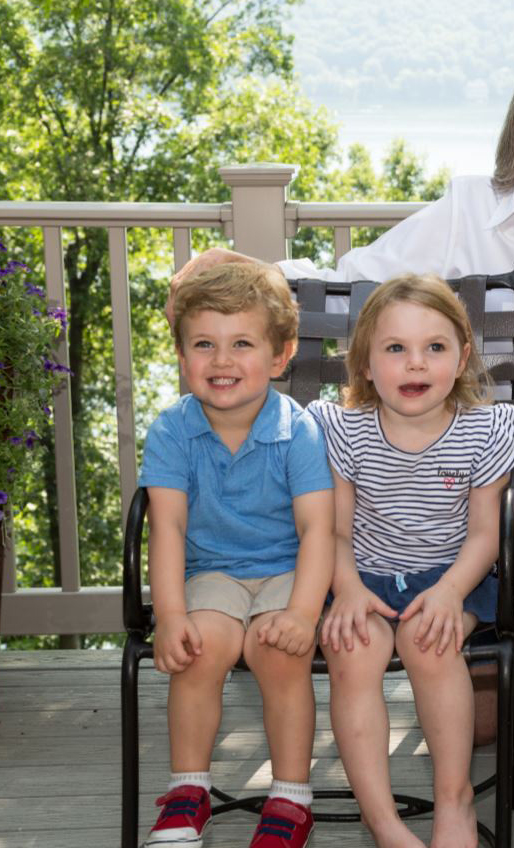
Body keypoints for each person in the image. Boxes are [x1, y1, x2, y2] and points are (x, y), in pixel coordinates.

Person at [168, 48, 514, 744]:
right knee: (492, 716)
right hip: (470, 528)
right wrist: (257, 272)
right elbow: (356, 282)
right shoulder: (471, 208)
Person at [309, 274, 514, 848]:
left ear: (460, 360)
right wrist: (350, 589)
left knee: (429, 646)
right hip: (361, 576)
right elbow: (332, 530)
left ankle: (453, 799)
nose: (415, 365)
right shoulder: (344, 431)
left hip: (452, 574)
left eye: (434, 347)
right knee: (353, 652)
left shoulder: (484, 431)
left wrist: (452, 591)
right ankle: (382, 820)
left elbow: (485, 535)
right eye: (395, 349)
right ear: (365, 364)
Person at [138, 263, 334, 848]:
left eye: (241, 344)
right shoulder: (171, 432)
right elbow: (167, 528)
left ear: (280, 356)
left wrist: (302, 614)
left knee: (276, 652)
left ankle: (291, 798)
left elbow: (318, 530)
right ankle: (188, 791)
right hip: (212, 574)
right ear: (182, 355)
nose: (221, 361)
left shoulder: (298, 431)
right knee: (200, 650)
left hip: (287, 572)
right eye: (204, 344)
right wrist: (171, 617)